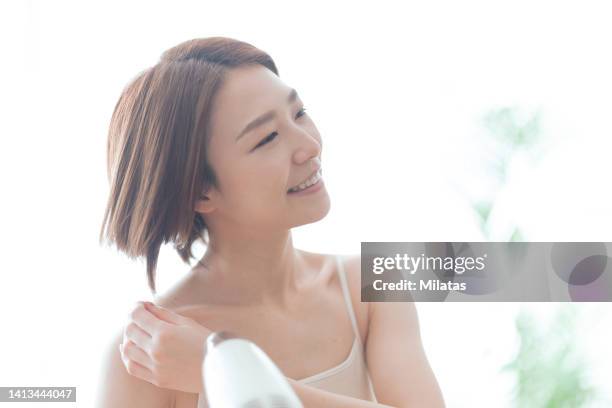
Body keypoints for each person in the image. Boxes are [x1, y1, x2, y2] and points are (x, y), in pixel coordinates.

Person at [95, 36, 445, 408]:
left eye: (299, 113)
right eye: (268, 138)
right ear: (200, 192)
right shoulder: (153, 355)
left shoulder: (370, 288)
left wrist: (227, 369)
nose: (308, 145)